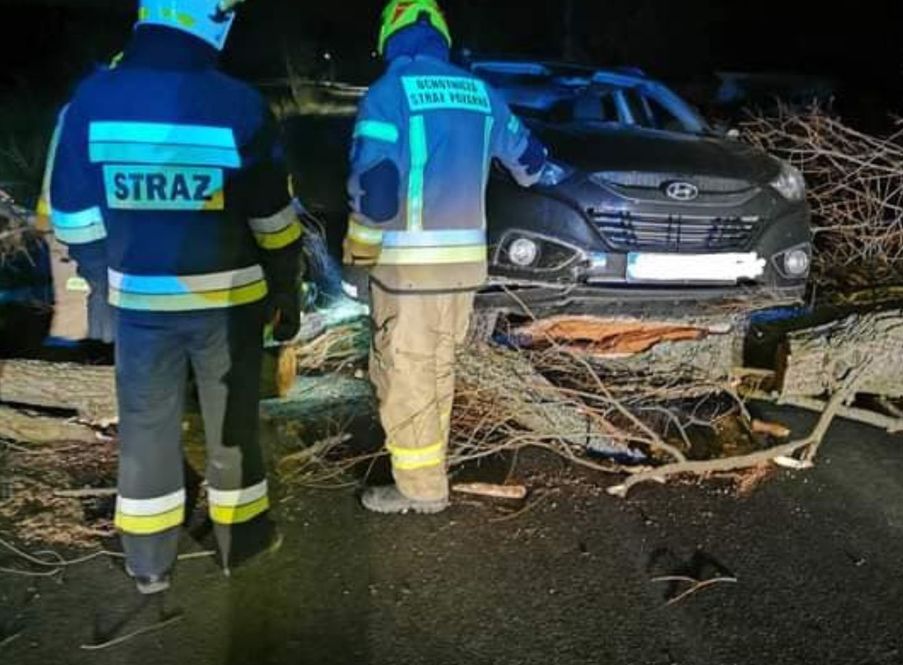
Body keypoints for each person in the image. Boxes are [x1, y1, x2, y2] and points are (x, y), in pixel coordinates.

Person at [48, 0, 303, 592]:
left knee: (145, 425)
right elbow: (272, 217)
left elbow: (72, 214)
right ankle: (240, 543)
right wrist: (285, 284)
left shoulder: (92, 99)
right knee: (231, 421)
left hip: (139, 301)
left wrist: (103, 282)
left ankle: (147, 562)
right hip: (229, 301)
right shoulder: (238, 103)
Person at [345, 0, 547, 514]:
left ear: (389, 34)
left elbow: (376, 190)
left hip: (407, 271)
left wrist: (359, 254)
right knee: (436, 369)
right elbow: (532, 164)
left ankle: (420, 489)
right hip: (462, 271)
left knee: (405, 373)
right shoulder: (480, 92)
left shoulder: (388, 94)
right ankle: (429, 471)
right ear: (442, 36)